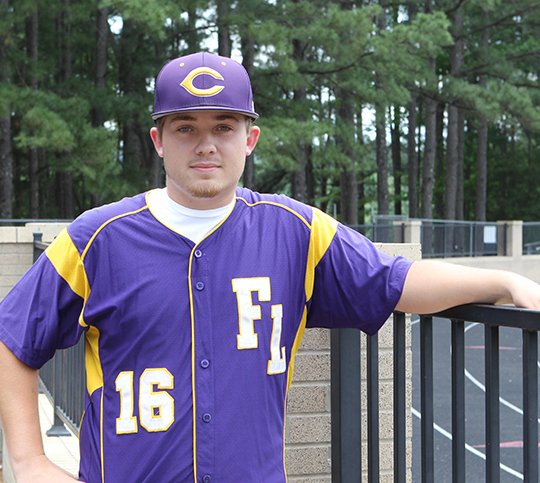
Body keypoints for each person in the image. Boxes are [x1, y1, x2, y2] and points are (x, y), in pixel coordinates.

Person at [0, 51, 539, 483]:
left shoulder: (294, 231)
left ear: (249, 139)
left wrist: (505, 280)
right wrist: (29, 462)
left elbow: (395, 280)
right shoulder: (100, 237)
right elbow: (12, 336)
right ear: (158, 141)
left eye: (225, 126)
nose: (206, 143)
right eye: (185, 127)